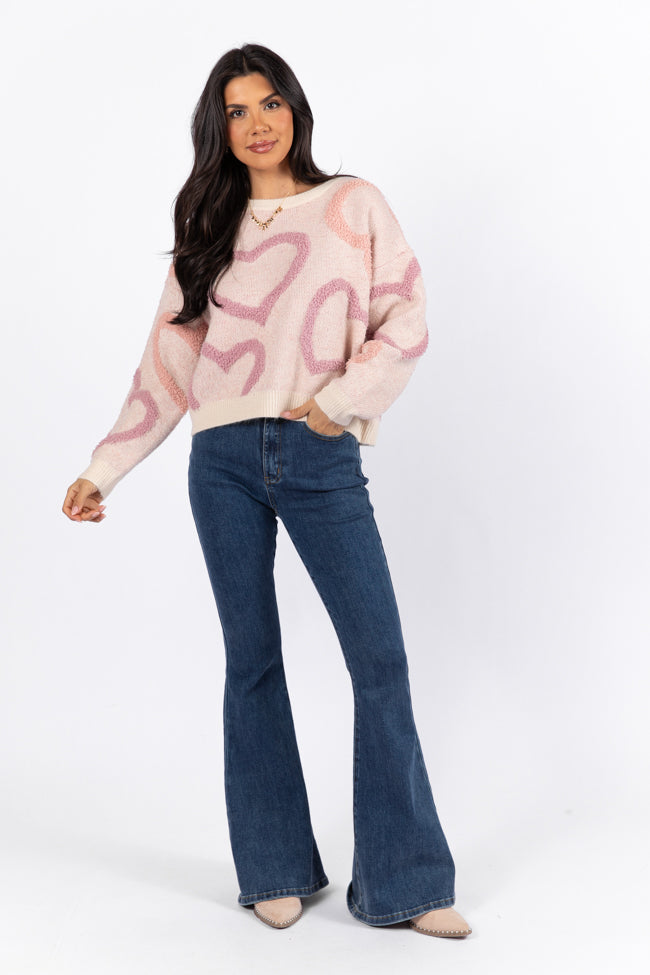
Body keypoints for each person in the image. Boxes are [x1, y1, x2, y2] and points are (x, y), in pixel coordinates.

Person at [62, 43, 472, 938]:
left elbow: (405, 318)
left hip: (320, 454)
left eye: (269, 103)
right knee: (251, 661)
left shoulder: (352, 204)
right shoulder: (209, 231)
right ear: (220, 130)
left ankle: (406, 881)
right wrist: (103, 468)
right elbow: (167, 364)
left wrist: (338, 404)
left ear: (295, 108)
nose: (256, 123)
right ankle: (273, 864)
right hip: (220, 461)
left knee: (379, 659)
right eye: (237, 111)